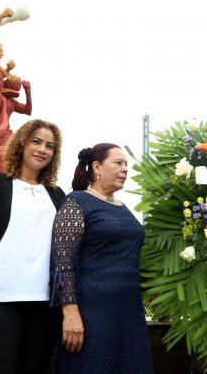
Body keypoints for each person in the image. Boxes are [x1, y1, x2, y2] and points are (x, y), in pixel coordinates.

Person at [0, 118, 65, 374]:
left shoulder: (57, 194)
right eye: (36, 142)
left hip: (44, 307)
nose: (42, 149)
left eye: (50, 146)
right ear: (21, 144)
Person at [50, 143, 153, 374]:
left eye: (126, 164)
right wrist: (70, 314)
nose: (125, 169)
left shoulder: (123, 207)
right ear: (97, 166)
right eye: (118, 163)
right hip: (90, 315)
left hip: (129, 314)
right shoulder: (76, 202)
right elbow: (63, 263)